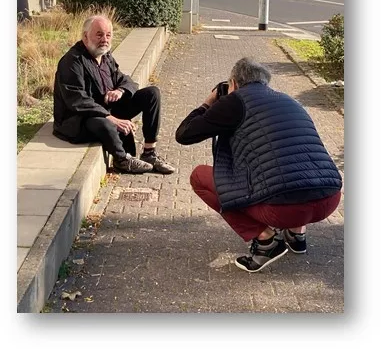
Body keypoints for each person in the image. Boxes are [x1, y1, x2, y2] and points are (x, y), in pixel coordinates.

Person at [175, 58, 342, 273]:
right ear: (266, 82)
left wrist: (209, 102)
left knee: (199, 176)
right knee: (293, 164)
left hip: (282, 209)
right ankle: (297, 235)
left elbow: (184, 134)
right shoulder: (289, 100)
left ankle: (267, 241)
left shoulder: (234, 101)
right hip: (329, 199)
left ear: (233, 83)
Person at [53, 15, 175, 175]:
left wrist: (120, 91)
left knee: (152, 93)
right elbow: (77, 100)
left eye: (108, 35)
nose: (104, 39)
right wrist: (110, 118)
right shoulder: (72, 61)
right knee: (105, 124)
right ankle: (122, 161)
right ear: (85, 36)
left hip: (107, 110)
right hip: (79, 119)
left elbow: (126, 80)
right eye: (99, 34)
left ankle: (149, 153)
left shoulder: (105, 56)